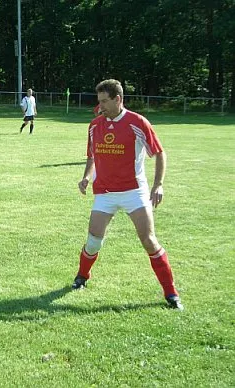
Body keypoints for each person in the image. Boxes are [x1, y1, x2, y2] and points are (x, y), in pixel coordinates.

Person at [73, 79, 183, 310]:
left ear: (118, 99)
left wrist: (158, 185)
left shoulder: (137, 122)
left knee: (149, 241)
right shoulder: (94, 126)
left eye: (104, 101)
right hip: (104, 192)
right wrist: (86, 176)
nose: (100, 106)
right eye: (99, 101)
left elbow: (160, 153)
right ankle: (82, 277)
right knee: (93, 242)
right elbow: (92, 156)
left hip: (134, 192)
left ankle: (171, 293)